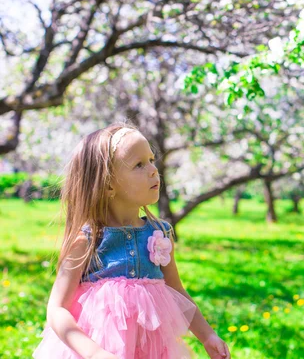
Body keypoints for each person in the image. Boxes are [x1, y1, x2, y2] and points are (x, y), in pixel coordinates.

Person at [33, 122, 231, 359]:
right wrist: (94, 353)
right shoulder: (88, 240)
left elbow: (177, 291)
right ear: (108, 184)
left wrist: (207, 335)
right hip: (100, 349)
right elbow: (57, 309)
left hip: (153, 350)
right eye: (139, 164)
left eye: (151, 160)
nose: (153, 170)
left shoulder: (159, 234)